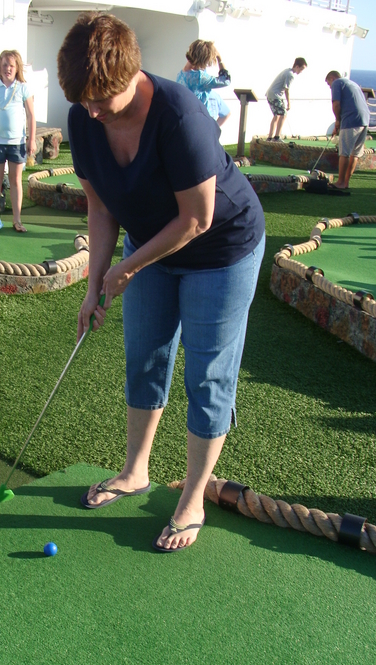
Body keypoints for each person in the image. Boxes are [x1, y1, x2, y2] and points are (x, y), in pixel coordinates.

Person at [57, 13, 266, 552]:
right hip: (149, 243)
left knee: (207, 372)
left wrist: (128, 268)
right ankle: (134, 471)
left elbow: (196, 218)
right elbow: (101, 206)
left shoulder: (179, 115)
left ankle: (193, 497)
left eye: (103, 97)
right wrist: (94, 282)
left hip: (221, 248)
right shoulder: (85, 116)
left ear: (134, 73)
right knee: (145, 355)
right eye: (84, 100)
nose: (93, 110)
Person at [0, 50, 36, 233]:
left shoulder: (23, 88)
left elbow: (31, 115)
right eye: (4, 65)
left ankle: (17, 220)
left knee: (16, 180)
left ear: (17, 67)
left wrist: (31, 139)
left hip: (17, 141)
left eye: (11, 65)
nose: (7, 69)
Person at [325, 70, 370, 190]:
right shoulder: (352, 83)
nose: (330, 87)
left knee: (344, 152)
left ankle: (339, 182)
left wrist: (337, 121)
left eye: (329, 84)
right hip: (365, 119)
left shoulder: (337, 83)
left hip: (351, 120)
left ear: (332, 78)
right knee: (354, 153)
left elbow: (336, 104)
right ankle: (345, 183)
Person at [176, 40, 230, 114]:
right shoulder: (199, 77)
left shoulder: (182, 74)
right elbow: (226, 81)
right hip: (199, 116)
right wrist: (219, 59)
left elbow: (194, 62)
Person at [266, 57, 307, 141]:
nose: (301, 71)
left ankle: (270, 137)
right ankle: (277, 137)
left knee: (277, 115)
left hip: (271, 94)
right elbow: (286, 89)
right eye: (301, 69)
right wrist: (289, 103)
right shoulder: (290, 75)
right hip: (275, 95)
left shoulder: (287, 71)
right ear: (297, 66)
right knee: (283, 114)